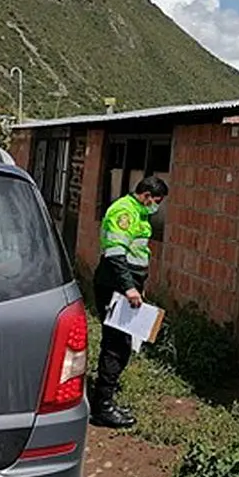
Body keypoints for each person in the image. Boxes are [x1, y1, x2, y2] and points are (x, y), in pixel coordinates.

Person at [89, 175, 169, 429]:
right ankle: (103, 408)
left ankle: (106, 399)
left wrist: (136, 288)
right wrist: (129, 288)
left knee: (122, 344)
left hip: (125, 288)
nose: (155, 206)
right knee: (116, 345)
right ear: (145, 195)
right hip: (115, 287)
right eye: (155, 201)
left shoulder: (139, 213)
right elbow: (115, 255)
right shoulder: (124, 212)